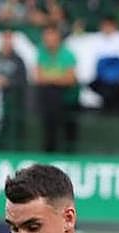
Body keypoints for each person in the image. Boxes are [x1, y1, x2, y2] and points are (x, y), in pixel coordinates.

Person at [35, 23, 79, 153]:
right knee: (50, 94)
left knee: (52, 93)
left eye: (51, 37)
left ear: (58, 38)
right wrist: (58, 78)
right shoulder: (41, 53)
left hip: (67, 98)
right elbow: (39, 78)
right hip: (50, 97)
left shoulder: (67, 54)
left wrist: (50, 79)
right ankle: (50, 146)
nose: (48, 41)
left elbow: (70, 79)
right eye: (46, 37)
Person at [0, 30, 28, 149]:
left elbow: (23, 80)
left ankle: (11, 149)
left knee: (11, 129)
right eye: (5, 39)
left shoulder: (18, 60)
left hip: (12, 101)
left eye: (9, 40)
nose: (7, 43)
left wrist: (8, 82)